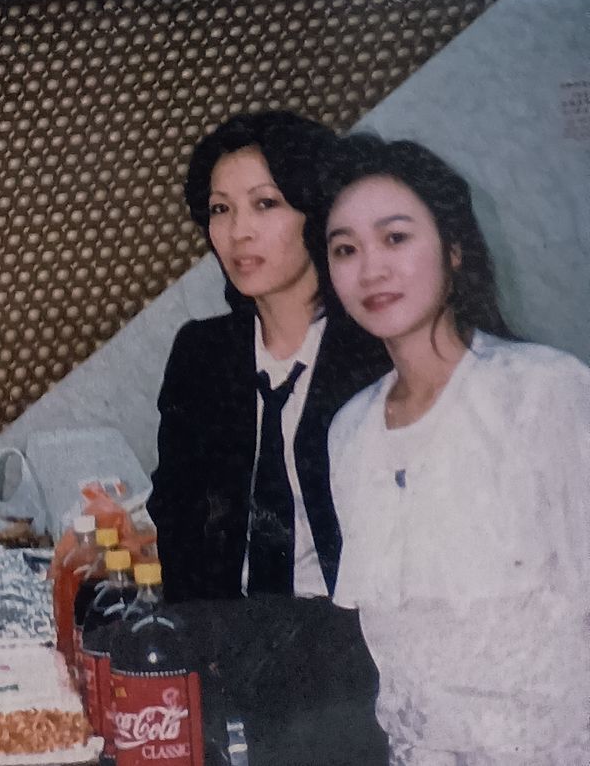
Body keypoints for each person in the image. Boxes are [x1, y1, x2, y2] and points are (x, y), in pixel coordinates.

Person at [320, 134, 590, 766]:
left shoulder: (543, 391)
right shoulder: (350, 433)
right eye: (345, 250)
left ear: (456, 249)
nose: (371, 269)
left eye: (396, 238)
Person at [149, 111, 388, 603]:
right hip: (226, 638)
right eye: (220, 209)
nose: (239, 232)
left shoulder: (376, 353)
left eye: (265, 204)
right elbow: (178, 523)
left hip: (354, 639)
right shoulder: (202, 354)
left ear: (318, 212)